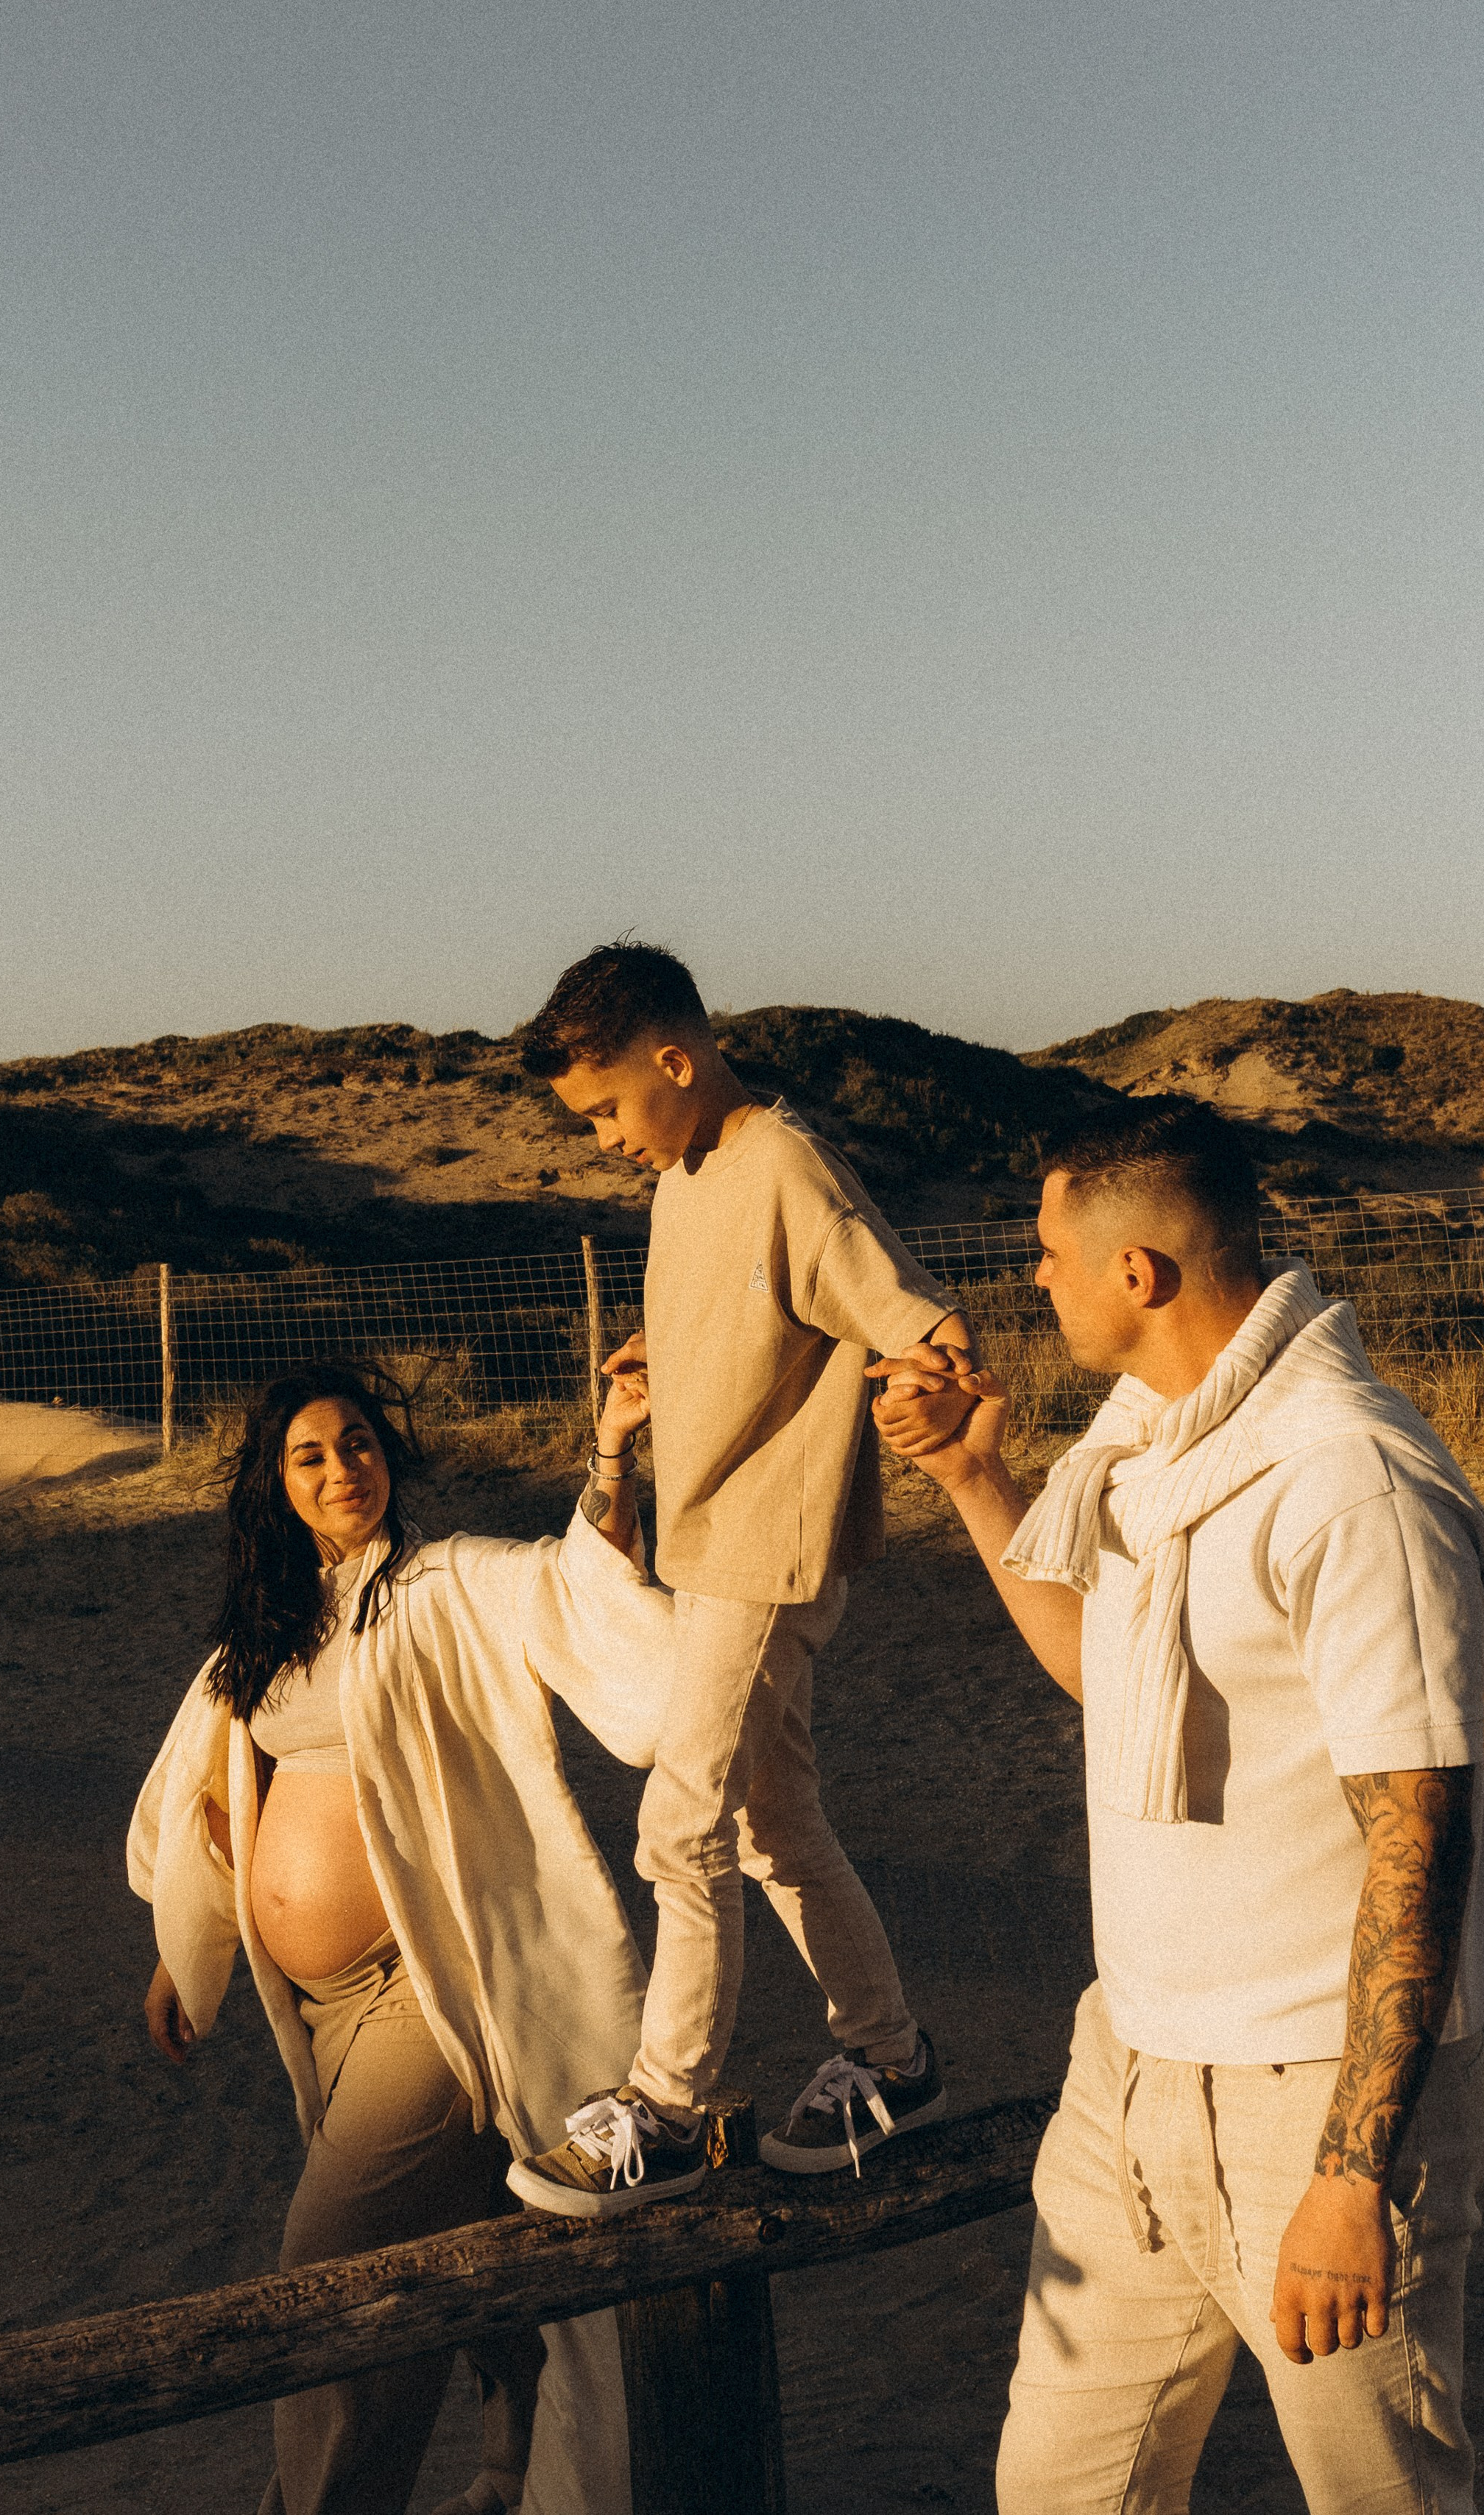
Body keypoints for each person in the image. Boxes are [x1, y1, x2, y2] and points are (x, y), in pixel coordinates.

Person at [870, 1099, 1484, 2515]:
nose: (1028, 1278)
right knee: (1060, 2494)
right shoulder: (1157, 1447)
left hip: (1317, 2105)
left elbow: (1421, 1833)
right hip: (1131, 2076)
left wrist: (1353, 2178)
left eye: (1048, 1252)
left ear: (1138, 1273)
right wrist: (971, 1478)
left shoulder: (1347, 1480)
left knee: (1382, 2499)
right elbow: (1110, 1676)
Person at [130, 1359, 674, 2515]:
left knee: (331, 2276)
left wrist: (613, 1453)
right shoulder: (273, 1622)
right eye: (312, 1455)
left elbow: (571, 1583)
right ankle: (510, 2468)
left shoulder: (443, 1583)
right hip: (317, 2016)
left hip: (426, 1997)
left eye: (360, 1443)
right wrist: (191, 1946)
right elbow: (214, 1784)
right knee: (476, 2237)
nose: (344, 1471)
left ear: (391, 1452)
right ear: (273, 1485)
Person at [509, 942, 975, 2211]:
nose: (603, 1137)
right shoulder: (689, 1175)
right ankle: (892, 2057)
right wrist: (678, 1362)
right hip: (709, 1545)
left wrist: (936, 1380)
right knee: (775, 1827)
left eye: (606, 1107)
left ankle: (670, 2107)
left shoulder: (780, 1161)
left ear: (677, 1058)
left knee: (680, 1824)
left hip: (769, 1553)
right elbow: (754, 1312)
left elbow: (912, 1312)